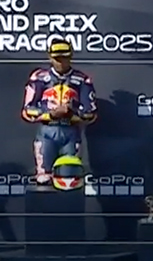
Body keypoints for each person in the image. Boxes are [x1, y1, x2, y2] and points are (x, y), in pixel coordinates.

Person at [21, 41, 97, 185]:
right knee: (43, 177)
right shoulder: (39, 78)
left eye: (65, 58)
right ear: (50, 57)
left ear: (71, 57)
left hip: (71, 131)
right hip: (47, 131)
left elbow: (90, 112)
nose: (61, 62)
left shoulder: (82, 79)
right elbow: (28, 109)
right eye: (57, 58)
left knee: (70, 176)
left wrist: (71, 112)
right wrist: (50, 114)